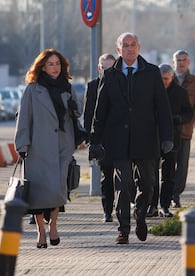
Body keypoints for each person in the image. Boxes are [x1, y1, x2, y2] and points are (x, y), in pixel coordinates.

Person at [89, 32, 174, 244]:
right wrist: (95, 141)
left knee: (148, 184)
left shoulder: (152, 73)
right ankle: (123, 229)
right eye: (125, 45)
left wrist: (167, 137)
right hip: (118, 140)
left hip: (145, 139)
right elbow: (100, 112)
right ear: (118, 50)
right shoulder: (109, 75)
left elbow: (162, 108)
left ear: (139, 47)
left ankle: (141, 215)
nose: (129, 49)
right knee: (123, 184)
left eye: (132, 45)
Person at [15, 48, 80, 248]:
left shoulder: (68, 88)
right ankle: (40, 231)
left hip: (62, 145)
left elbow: (76, 116)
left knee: (59, 189)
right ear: (42, 66)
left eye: (58, 64)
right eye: (50, 64)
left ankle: (53, 225)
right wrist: (22, 145)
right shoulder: (33, 90)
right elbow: (24, 118)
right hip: (38, 148)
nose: (55, 68)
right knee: (39, 192)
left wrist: (78, 138)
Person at [147, 64, 193, 218]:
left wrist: (179, 119)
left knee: (169, 175)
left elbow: (188, 113)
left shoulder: (180, 93)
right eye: (161, 79)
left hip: (172, 137)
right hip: (152, 137)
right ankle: (151, 206)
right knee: (150, 174)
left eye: (166, 79)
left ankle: (165, 205)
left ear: (172, 78)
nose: (164, 82)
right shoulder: (151, 91)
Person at [83, 53, 116, 222]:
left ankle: (125, 205)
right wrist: (89, 139)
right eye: (105, 68)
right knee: (107, 176)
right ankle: (107, 210)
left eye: (111, 67)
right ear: (99, 68)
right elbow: (88, 113)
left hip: (120, 137)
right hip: (102, 140)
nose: (108, 71)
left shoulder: (121, 83)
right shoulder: (93, 86)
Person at [171, 50, 195, 208]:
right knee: (166, 164)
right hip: (166, 131)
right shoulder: (166, 79)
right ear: (174, 62)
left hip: (185, 131)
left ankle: (176, 194)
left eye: (184, 60)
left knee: (182, 165)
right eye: (178, 60)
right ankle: (163, 193)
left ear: (189, 62)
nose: (181, 63)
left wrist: (190, 118)